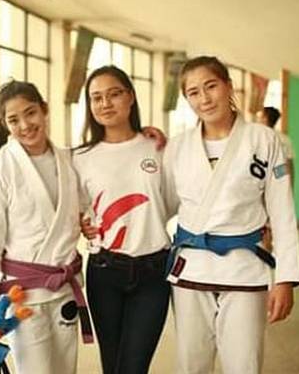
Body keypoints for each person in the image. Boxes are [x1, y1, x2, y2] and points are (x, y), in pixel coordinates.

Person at [163, 56, 299, 374]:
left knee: (244, 364)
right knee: (191, 364)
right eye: (194, 92)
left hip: (244, 268)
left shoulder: (263, 140)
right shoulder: (177, 147)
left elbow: (282, 212)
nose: (204, 98)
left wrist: (286, 279)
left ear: (228, 86)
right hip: (192, 269)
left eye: (211, 86)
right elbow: (162, 205)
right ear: (187, 99)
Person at [0, 80, 91, 374]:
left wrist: (88, 222)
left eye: (31, 113)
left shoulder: (69, 159)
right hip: (22, 295)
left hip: (64, 290)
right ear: (5, 124)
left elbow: (88, 204)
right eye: (14, 120)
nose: (25, 125)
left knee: (65, 370)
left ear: (44, 110)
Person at [73, 65, 171, 374]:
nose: (105, 104)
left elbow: (175, 201)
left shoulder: (158, 148)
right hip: (105, 272)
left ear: (130, 97)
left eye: (114, 94)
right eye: (96, 97)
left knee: (133, 367)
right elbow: (75, 208)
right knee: (112, 365)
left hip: (154, 272)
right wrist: (82, 221)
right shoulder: (79, 157)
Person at [257, 106, 295, 185]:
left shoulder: (260, 137)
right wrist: (290, 184)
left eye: (260, 117)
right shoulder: (284, 139)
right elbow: (289, 164)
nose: (258, 120)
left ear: (265, 119)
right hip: (278, 174)